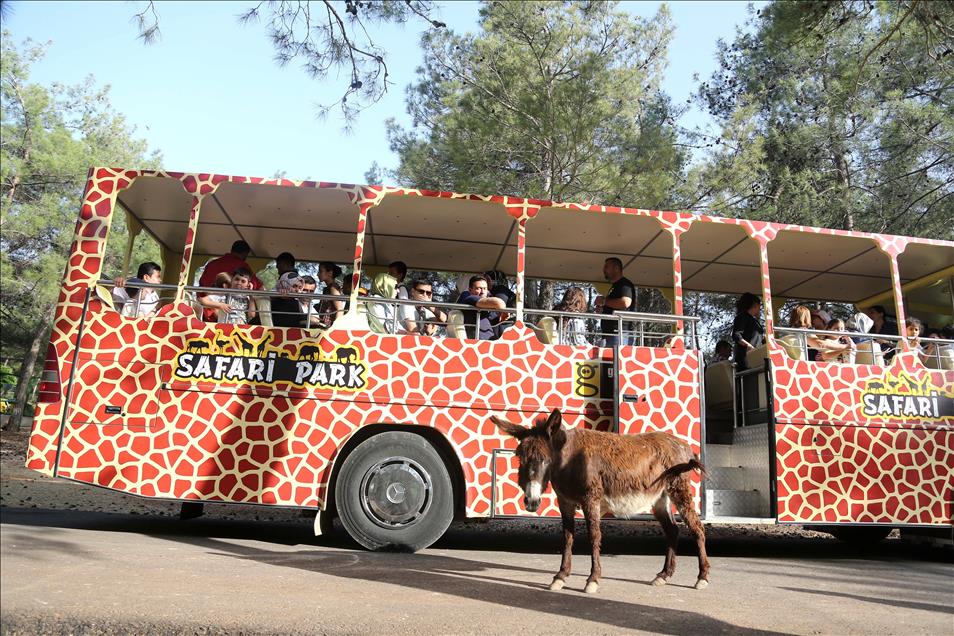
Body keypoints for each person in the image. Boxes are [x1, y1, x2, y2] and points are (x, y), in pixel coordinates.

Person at [198, 240, 262, 321]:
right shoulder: (242, 265)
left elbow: (202, 287)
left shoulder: (213, 264)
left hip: (208, 314)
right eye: (237, 279)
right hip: (221, 320)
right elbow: (259, 287)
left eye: (243, 281)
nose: (239, 283)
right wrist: (220, 305)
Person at [456, 275, 506, 340]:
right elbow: (499, 303)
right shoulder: (469, 298)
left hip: (492, 342)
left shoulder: (487, 305)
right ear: (470, 290)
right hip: (480, 343)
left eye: (485, 288)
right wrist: (505, 312)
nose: (482, 292)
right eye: (478, 288)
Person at [599, 257, 636, 347]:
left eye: (606, 267)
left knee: (616, 360)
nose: (604, 270)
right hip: (612, 333)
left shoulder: (624, 284)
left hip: (619, 332)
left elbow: (625, 302)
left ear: (616, 268)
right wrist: (603, 309)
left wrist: (604, 301)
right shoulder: (615, 286)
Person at [731, 292, 763, 370]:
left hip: (755, 356)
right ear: (755, 305)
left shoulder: (754, 320)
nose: (760, 309)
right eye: (759, 306)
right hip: (746, 358)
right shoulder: (742, 317)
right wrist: (749, 346)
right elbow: (736, 335)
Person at [484, 269, 516, 338]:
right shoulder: (495, 290)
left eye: (488, 280)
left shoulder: (500, 289)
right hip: (503, 325)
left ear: (495, 280)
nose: (485, 282)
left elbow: (499, 308)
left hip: (503, 327)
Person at [317, 261, 345, 327]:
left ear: (330, 273)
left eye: (320, 271)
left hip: (329, 326)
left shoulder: (333, 288)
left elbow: (340, 309)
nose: (317, 274)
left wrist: (336, 327)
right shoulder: (329, 288)